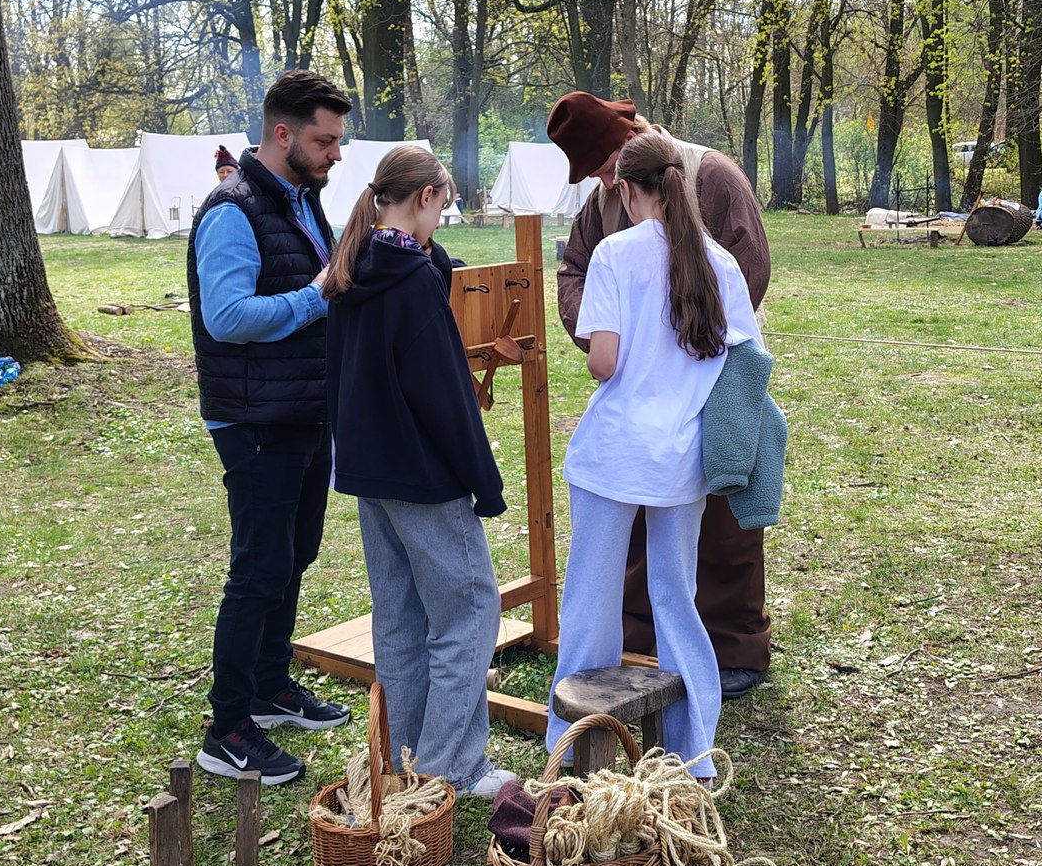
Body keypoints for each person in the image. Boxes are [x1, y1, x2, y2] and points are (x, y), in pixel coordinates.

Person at [547, 130, 762, 775]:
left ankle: (576, 750)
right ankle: (693, 750)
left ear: (625, 189)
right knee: (678, 599)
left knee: (590, 601)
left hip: (614, 457)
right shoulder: (721, 263)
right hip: (681, 459)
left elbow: (604, 362)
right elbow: (744, 365)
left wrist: (610, 354)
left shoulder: (615, 254)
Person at [324, 147, 514, 799]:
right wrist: (484, 485)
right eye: (447, 206)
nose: (447, 221)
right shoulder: (407, 283)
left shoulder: (355, 266)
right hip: (421, 476)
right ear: (427, 198)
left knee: (402, 618)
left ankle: (405, 760)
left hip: (369, 470)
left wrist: (433, 263)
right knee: (469, 613)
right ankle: (450, 768)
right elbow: (448, 397)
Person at [188, 70, 354, 785]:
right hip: (255, 418)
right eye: (324, 139)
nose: (335, 154)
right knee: (258, 569)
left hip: (302, 412)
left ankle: (268, 685)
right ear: (282, 134)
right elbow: (227, 318)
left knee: (296, 553)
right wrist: (316, 299)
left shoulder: (301, 201)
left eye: (337, 141)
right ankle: (227, 726)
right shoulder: (233, 210)